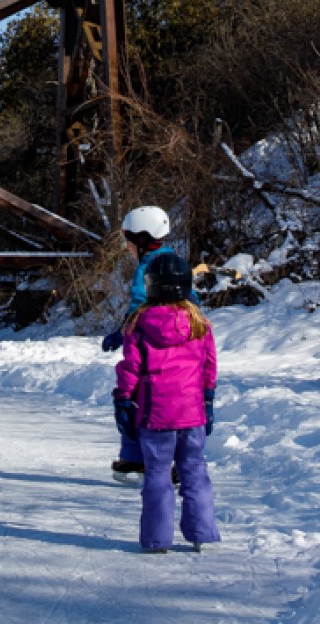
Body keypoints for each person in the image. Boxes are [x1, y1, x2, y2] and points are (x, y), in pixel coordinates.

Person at [113, 249, 220, 554]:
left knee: (158, 475)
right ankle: (202, 534)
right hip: (192, 413)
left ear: (150, 285)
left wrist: (123, 399)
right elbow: (209, 365)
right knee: (194, 471)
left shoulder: (139, 323)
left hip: (156, 415)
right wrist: (208, 399)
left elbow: (131, 367)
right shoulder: (199, 323)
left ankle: (157, 539)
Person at [101, 206, 195, 483]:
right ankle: (167, 459)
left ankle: (137, 459)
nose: (127, 246)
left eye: (128, 239)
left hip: (154, 343)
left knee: (136, 398)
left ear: (141, 239)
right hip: (182, 344)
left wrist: (124, 331)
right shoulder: (174, 262)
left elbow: (141, 305)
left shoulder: (148, 267)